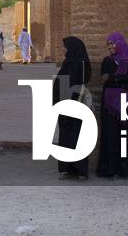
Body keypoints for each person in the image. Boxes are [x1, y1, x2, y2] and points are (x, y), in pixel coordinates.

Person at [97, 32, 128, 179]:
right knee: (111, 135)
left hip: (127, 103)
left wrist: (112, 77)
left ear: (120, 43)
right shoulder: (106, 61)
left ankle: (126, 169)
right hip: (110, 104)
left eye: (112, 44)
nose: (110, 47)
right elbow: (104, 79)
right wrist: (121, 80)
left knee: (126, 136)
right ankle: (111, 169)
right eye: (108, 44)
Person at [52, 36, 92, 180]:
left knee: (77, 136)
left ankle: (80, 170)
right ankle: (67, 168)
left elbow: (83, 80)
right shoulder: (68, 63)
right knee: (65, 135)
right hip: (64, 104)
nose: (63, 49)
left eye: (65, 46)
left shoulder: (80, 63)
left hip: (75, 103)